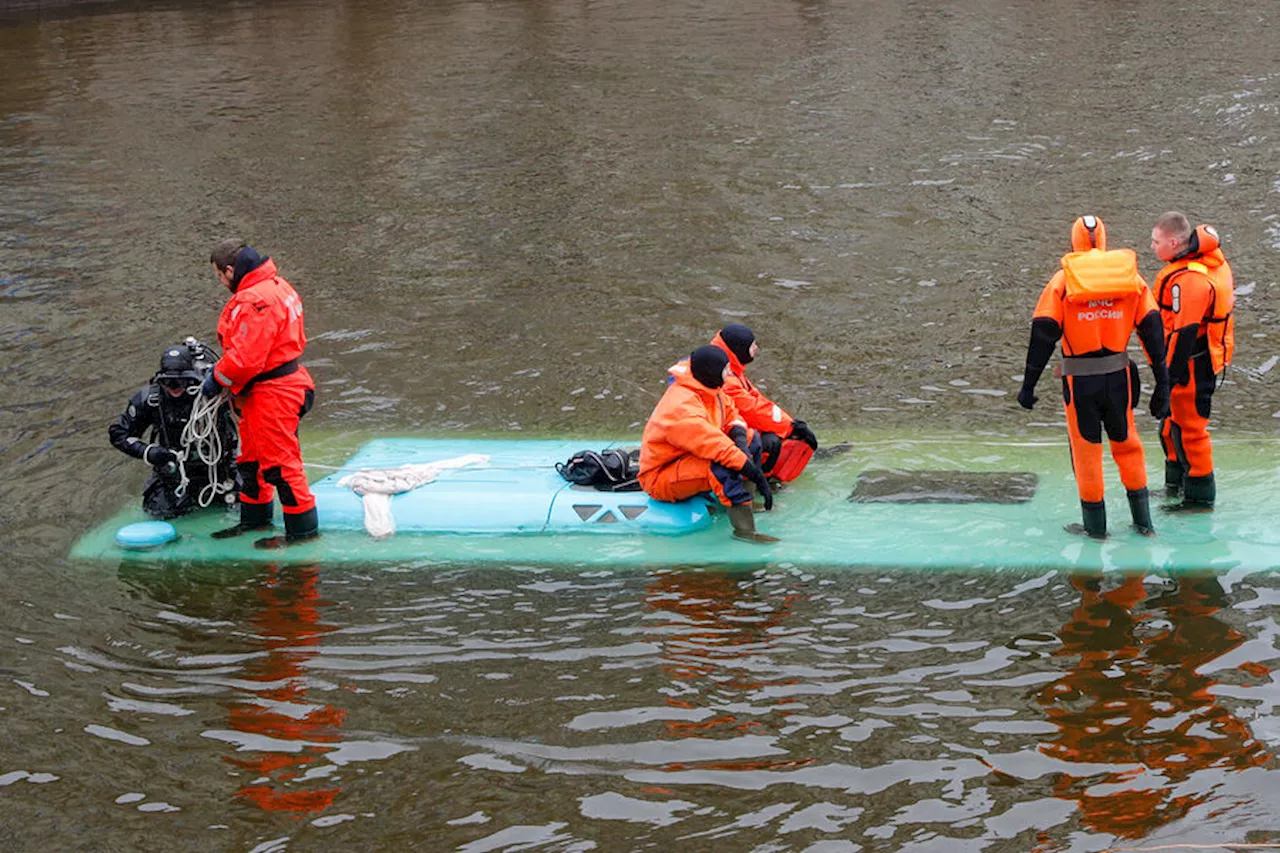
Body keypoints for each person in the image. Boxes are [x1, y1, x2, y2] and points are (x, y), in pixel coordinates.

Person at [1018, 215, 1171, 538]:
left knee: (1087, 453)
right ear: (1103, 239)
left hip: (1080, 381)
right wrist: (1163, 383)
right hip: (1119, 378)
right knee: (1128, 446)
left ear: (1074, 240)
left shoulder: (1062, 281)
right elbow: (1153, 331)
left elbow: (1043, 334)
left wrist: (1028, 386)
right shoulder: (1131, 279)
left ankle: (1096, 530)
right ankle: (1144, 525)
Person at [203, 240, 319, 548]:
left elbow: (245, 358)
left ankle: (302, 536)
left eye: (219, 276)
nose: (221, 283)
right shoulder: (277, 286)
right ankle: (254, 522)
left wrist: (216, 378)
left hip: (273, 392)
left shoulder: (254, 300)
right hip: (265, 390)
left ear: (230, 270)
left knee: (282, 466)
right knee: (250, 461)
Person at [639, 345, 777, 543]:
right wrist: (756, 474)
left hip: (689, 456)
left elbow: (732, 415)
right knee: (722, 469)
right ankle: (745, 532)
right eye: (725, 370)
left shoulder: (709, 388)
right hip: (660, 476)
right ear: (713, 373)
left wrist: (742, 442)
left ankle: (745, 501)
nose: (729, 373)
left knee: (750, 438)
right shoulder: (681, 409)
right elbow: (717, 447)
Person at [1150, 212, 1235, 510]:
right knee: (1170, 428)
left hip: (1192, 367)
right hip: (1187, 363)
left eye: (1156, 241)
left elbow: (1183, 336)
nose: (1152, 247)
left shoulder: (1190, 281)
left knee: (1190, 432)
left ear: (1174, 242)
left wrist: (1166, 382)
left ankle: (1199, 500)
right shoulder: (1202, 264)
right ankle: (1176, 487)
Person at [108, 339, 238, 518]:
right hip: (176, 474)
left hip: (221, 471)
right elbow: (119, 434)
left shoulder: (213, 396)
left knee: (248, 502)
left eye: (179, 382)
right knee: (159, 511)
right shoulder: (151, 399)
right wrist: (148, 452)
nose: (174, 388)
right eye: (168, 382)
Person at [709, 324, 819, 480]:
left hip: (724, 430)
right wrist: (790, 428)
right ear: (739, 350)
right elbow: (751, 410)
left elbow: (757, 402)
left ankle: (762, 477)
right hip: (720, 438)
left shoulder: (731, 371)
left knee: (775, 433)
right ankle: (762, 480)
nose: (756, 348)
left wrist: (790, 424)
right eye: (752, 345)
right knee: (770, 442)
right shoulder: (728, 379)